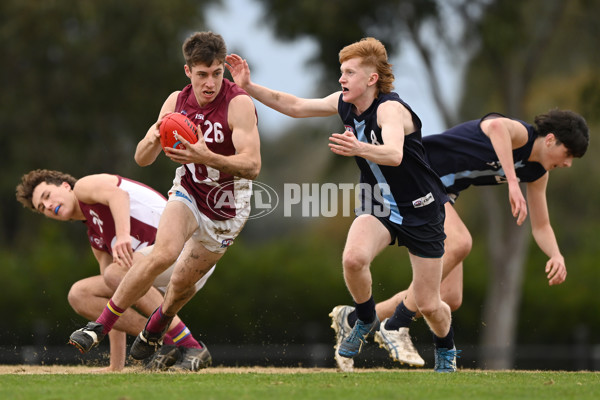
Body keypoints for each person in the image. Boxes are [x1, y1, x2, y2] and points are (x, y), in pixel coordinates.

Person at [226, 37, 458, 373]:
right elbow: (293, 105)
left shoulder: (391, 109)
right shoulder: (345, 104)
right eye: (341, 71)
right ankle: (364, 319)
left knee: (429, 303)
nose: (342, 78)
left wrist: (358, 149)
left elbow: (394, 154)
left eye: (349, 72)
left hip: (421, 209)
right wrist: (248, 87)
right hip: (379, 203)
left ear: (371, 79)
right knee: (353, 258)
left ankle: (447, 350)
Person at [329, 108, 590, 370]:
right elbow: (497, 126)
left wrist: (556, 254)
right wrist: (512, 182)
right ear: (550, 139)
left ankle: (354, 320)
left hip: (442, 192)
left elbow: (541, 225)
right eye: (568, 154)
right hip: (418, 176)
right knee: (460, 242)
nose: (567, 163)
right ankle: (397, 324)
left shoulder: (537, 173)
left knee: (450, 298)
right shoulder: (521, 135)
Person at [67, 31, 261, 365]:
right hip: (187, 192)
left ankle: (155, 328)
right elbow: (142, 158)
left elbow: (253, 165)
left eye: (216, 73)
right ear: (188, 72)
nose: (210, 83)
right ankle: (99, 326)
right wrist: (156, 135)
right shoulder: (175, 102)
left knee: (178, 291)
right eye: (202, 75)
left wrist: (205, 155)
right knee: (163, 253)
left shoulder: (238, 103)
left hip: (225, 211)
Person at [15, 169, 214, 371]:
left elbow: (119, 195)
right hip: (168, 266)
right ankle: (169, 342)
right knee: (80, 294)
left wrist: (123, 236)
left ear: (66, 186)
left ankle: (190, 345)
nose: (48, 206)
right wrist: (115, 366)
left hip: (190, 250)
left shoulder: (84, 187)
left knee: (115, 273)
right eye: (42, 208)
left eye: (47, 195)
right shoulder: (95, 234)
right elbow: (117, 296)